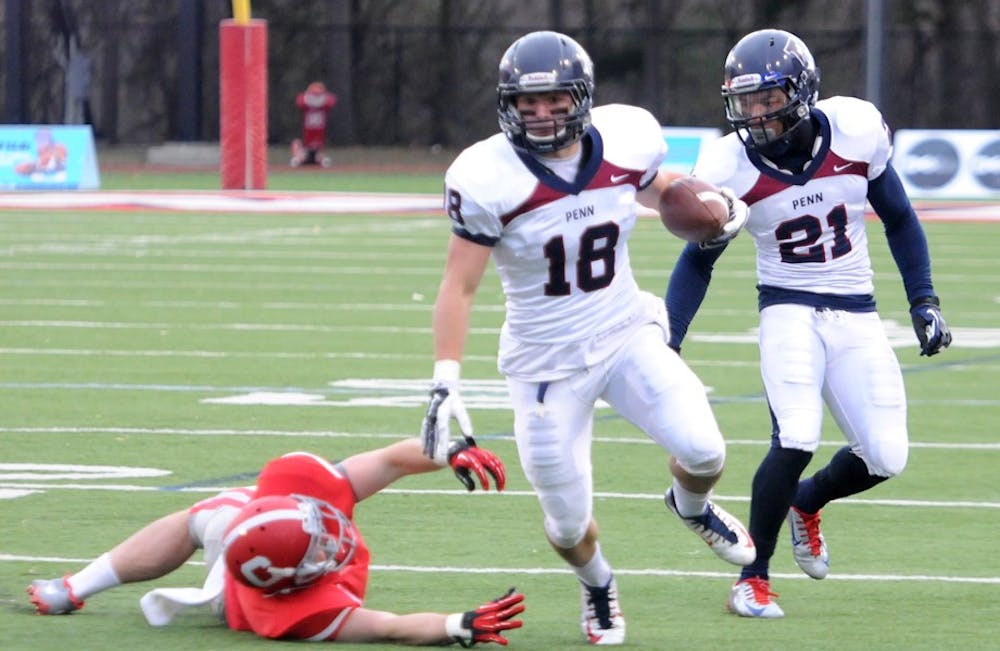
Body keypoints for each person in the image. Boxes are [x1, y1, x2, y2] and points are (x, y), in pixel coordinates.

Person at [419, 30, 753, 646]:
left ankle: (692, 507)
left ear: (582, 98)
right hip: (545, 365)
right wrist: (445, 379)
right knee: (568, 525)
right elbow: (458, 286)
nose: (543, 114)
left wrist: (711, 207)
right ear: (508, 105)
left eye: (555, 100)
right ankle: (597, 583)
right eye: (528, 103)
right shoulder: (486, 176)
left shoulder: (626, 137)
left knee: (705, 451)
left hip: (624, 331)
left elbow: (655, 188)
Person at [664, 28, 952, 619]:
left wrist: (923, 299)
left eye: (768, 99)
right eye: (745, 102)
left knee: (886, 456)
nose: (755, 115)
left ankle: (806, 502)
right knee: (795, 435)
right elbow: (698, 261)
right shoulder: (728, 165)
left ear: (801, 92)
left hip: (856, 308)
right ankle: (753, 579)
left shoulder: (855, 130)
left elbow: (900, 218)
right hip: (787, 306)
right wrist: (669, 339)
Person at [27, 436, 526, 646]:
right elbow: (389, 627)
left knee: (213, 513)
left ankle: (75, 587)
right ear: (299, 579)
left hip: (252, 529)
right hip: (233, 595)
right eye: (321, 546)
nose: (334, 532)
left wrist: (449, 451)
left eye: (320, 522)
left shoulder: (298, 494)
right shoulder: (302, 613)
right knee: (212, 523)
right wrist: (457, 624)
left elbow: (389, 460)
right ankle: (75, 587)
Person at [291, 81, 337, 167]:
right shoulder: (306, 104)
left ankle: (314, 158)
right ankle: (301, 157)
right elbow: (300, 101)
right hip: (307, 134)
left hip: (318, 135)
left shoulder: (324, 105)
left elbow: (331, 100)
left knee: (316, 149)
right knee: (298, 143)